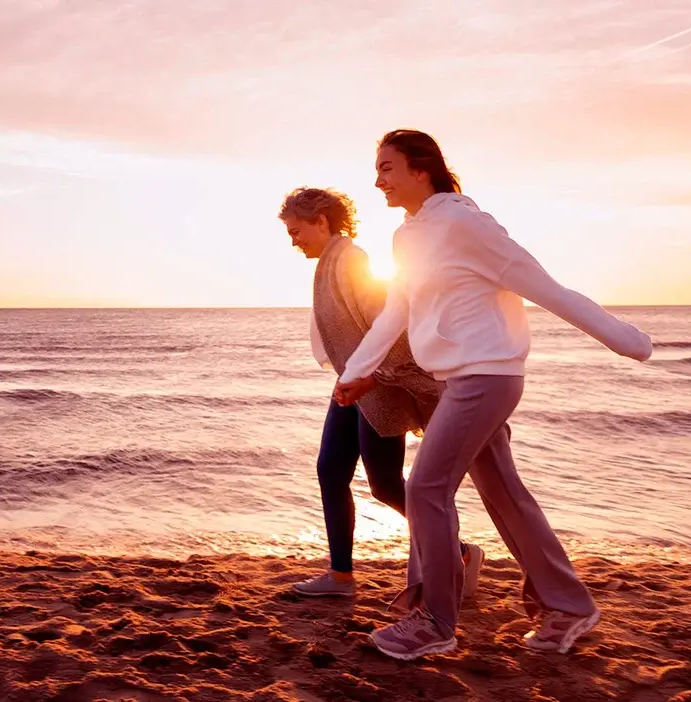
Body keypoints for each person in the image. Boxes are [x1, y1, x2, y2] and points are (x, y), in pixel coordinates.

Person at [336, 130, 653, 660]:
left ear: (422, 169)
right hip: (455, 378)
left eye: (387, 168)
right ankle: (569, 605)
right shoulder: (407, 237)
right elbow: (398, 310)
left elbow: (541, 284)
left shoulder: (465, 224)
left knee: (425, 489)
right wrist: (359, 370)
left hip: (488, 375)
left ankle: (437, 620)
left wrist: (625, 340)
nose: (377, 180)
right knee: (504, 493)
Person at [277, 187, 482, 600]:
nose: (293, 241)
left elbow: (390, 327)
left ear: (322, 221)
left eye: (297, 231)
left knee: (385, 484)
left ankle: (459, 553)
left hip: (377, 386)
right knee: (330, 471)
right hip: (354, 383)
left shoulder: (350, 261)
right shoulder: (332, 262)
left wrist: (375, 376)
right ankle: (339, 577)